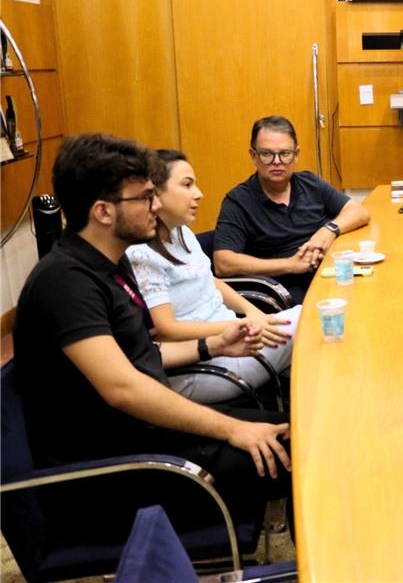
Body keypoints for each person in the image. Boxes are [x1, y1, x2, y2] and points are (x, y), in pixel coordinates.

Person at [12, 133, 291, 534]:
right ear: (104, 211)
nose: (157, 205)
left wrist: (212, 344)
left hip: (150, 439)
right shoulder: (65, 281)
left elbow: (139, 356)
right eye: (145, 197)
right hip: (111, 474)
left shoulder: (111, 262)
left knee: (301, 432)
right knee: (302, 456)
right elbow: (123, 387)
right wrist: (233, 429)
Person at [127, 149, 300, 404]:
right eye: (187, 184)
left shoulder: (181, 232)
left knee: (313, 355)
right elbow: (166, 329)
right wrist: (236, 327)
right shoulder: (142, 254)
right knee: (315, 319)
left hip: (233, 342)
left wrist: (255, 315)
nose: (198, 193)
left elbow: (211, 282)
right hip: (204, 366)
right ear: (155, 193)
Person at [214, 115, 369, 304]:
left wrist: (328, 230)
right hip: (286, 291)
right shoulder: (238, 201)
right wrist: (290, 265)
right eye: (267, 154)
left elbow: (358, 211)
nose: (277, 161)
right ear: (253, 156)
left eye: (285, 153)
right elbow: (223, 262)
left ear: (296, 154)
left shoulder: (310, 183)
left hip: (329, 274)